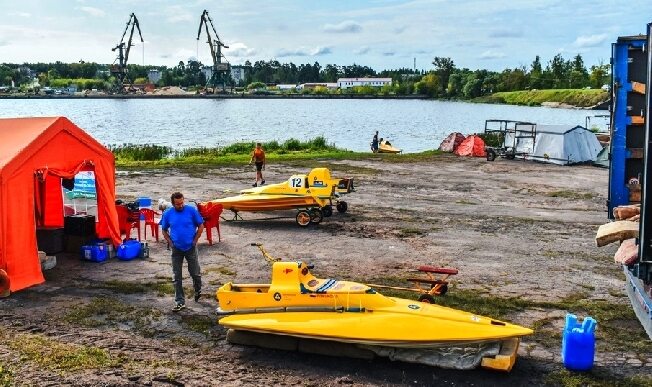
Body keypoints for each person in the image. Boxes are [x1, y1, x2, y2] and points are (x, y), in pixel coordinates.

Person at [160, 192, 205, 312]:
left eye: (182, 203)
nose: (180, 206)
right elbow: (164, 230)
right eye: (177, 204)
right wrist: (169, 241)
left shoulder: (191, 211)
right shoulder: (168, 214)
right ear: (173, 203)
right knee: (176, 276)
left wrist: (195, 239)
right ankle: (179, 301)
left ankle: (198, 289)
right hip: (176, 249)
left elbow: (201, 225)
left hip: (190, 247)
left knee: (195, 272)